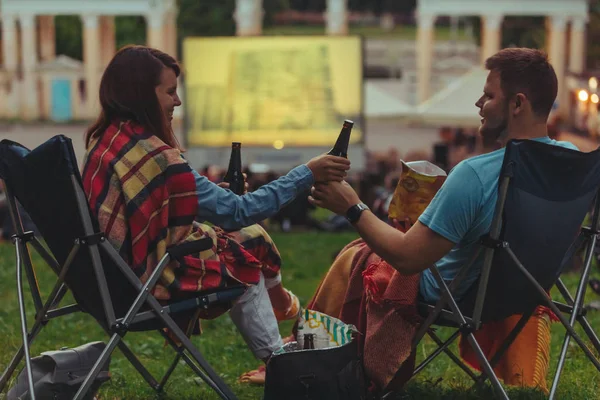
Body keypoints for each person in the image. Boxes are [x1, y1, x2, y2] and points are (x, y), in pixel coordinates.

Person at [81, 45, 350, 368]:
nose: (177, 102)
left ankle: (283, 317)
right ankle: (281, 364)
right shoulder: (159, 158)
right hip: (143, 284)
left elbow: (149, 208)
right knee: (242, 264)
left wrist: (202, 197)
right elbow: (238, 211)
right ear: (143, 95)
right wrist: (307, 174)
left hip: (101, 280)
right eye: (170, 92)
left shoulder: (107, 138)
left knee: (247, 237)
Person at [310, 47, 577, 303]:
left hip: (457, 297)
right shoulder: (570, 159)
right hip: (524, 292)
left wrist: (351, 207)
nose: (478, 103)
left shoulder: (474, 174)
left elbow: (407, 258)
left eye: (489, 96)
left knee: (355, 256)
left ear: (517, 103)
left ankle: (318, 342)